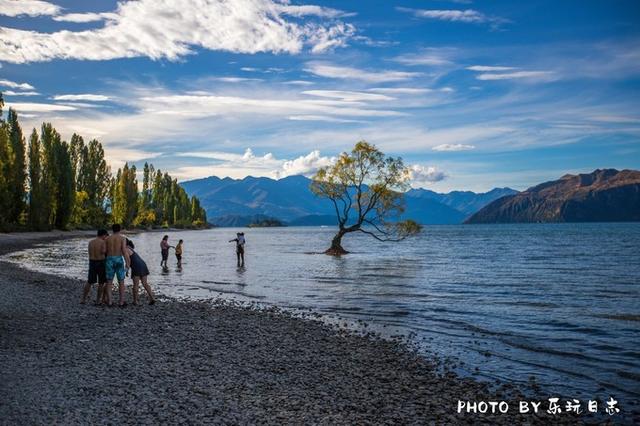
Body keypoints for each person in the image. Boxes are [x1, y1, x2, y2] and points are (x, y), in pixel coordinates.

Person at [105, 223, 131, 307]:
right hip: (118, 259)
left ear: (112, 229)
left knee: (109, 281)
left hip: (109, 260)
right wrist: (127, 263)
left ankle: (109, 301)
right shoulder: (122, 238)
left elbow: (105, 251)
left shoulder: (107, 238)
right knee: (121, 281)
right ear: (120, 229)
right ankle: (121, 302)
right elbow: (124, 251)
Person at [126, 239, 156, 305]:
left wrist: (126, 270)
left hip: (136, 266)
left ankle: (135, 301)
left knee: (136, 285)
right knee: (145, 283)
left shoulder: (125, 249)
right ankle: (152, 298)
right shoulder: (130, 248)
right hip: (143, 265)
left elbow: (128, 261)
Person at [81, 229, 108, 304]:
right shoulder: (103, 242)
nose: (105, 237)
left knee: (89, 281)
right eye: (105, 236)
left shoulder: (91, 242)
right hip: (101, 262)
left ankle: (83, 299)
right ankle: (98, 300)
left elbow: (89, 252)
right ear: (103, 235)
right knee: (101, 282)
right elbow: (103, 251)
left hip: (92, 261)